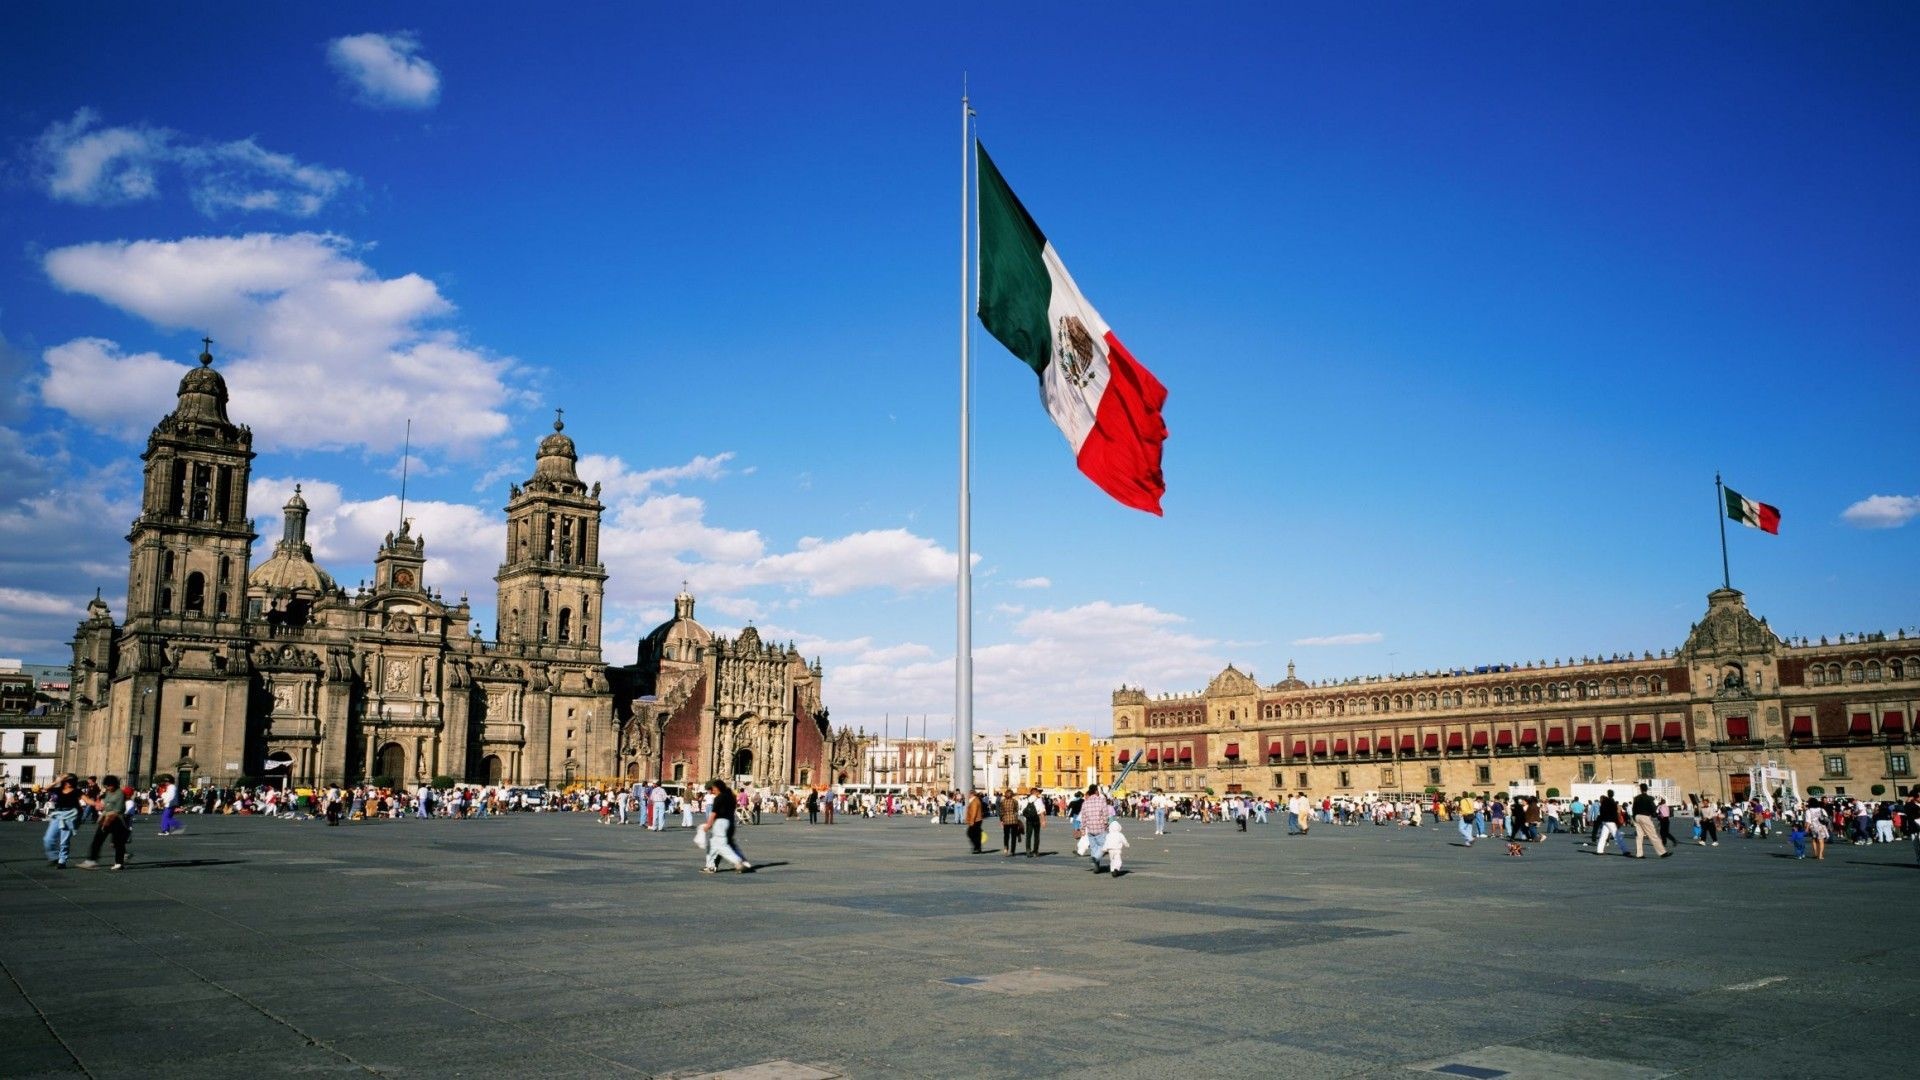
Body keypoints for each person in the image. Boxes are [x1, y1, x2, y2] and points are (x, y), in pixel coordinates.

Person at [78, 775, 131, 870]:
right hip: (105, 817)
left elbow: (118, 810)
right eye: (106, 786)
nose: (107, 788)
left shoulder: (120, 794)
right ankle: (91, 860)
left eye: (109, 786)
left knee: (118, 842)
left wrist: (107, 820)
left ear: (114, 785)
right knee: (97, 840)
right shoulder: (108, 792)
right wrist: (100, 806)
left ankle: (119, 862)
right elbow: (105, 803)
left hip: (116, 819)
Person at [700, 779, 751, 873]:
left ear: (717, 788)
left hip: (720, 823)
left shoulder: (719, 798)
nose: (712, 791)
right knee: (714, 845)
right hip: (730, 821)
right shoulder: (731, 797)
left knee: (722, 846)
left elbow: (714, 813)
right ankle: (710, 866)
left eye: (713, 789)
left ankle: (738, 862)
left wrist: (708, 824)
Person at [42, 775, 83, 868]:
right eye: (67, 780)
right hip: (58, 815)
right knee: (48, 839)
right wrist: (56, 781)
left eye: (70, 781)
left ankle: (62, 861)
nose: (68, 782)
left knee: (64, 841)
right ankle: (54, 857)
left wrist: (97, 804)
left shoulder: (76, 791)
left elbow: (87, 800)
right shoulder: (58, 789)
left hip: (70, 816)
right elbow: (45, 789)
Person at [1079, 784, 1114, 873]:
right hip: (1100, 827)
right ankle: (1095, 858)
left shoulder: (1085, 803)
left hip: (1090, 828)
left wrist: (1082, 829)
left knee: (1094, 848)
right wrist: (1106, 823)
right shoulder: (1101, 801)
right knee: (1104, 846)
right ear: (1096, 791)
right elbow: (1105, 814)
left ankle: (1096, 867)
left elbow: (1083, 817)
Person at [1631, 783, 1671, 858]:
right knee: (1653, 835)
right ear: (1647, 789)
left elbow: (1634, 809)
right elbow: (1653, 809)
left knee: (1639, 836)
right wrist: (1655, 815)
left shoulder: (1636, 798)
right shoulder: (1649, 798)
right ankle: (1662, 852)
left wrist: (1634, 817)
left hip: (1637, 817)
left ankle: (1639, 854)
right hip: (1645, 817)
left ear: (1640, 789)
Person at [1594, 790, 1622, 855]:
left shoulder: (1604, 802)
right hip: (1611, 821)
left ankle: (1599, 850)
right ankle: (1625, 850)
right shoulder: (1613, 802)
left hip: (1605, 821)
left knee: (1603, 836)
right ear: (1613, 794)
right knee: (1617, 836)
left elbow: (1601, 812)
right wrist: (1617, 822)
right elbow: (1614, 813)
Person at [1021, 788, 1044, 857]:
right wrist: (1043, 820)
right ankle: (1035, 851)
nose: (1038, 794)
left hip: (1028, 820)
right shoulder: (1039, 800)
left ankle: (1028, 850)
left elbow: (1022, 811)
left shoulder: (1026, 800)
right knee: (1036, 836)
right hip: (1036, 819)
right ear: (1035, 792)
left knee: (1028, 836)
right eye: (1037, 792)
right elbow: (1041, 811)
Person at [963, 789, 986, 854]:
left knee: (970, 833)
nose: (968, 795)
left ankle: (976, 847)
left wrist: (972, 821)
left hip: (975, 820)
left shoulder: (974, 801)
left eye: (969, 794)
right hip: (978, 819)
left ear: (971, 794)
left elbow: (974, 812)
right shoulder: (976, 800)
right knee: (976, 834)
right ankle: (978, 848)